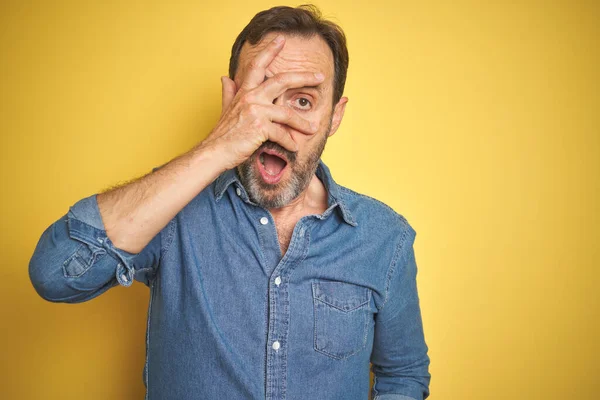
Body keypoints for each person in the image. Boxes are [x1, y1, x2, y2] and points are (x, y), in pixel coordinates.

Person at [28, 4, 431, 400]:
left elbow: (404, 375)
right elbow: (54, 273)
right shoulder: (174, 210)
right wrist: (218, 146)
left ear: (335, 116)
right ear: (232, 99)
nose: (277, 126)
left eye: (303, 101)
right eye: (261, 96)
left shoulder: (384, 238)